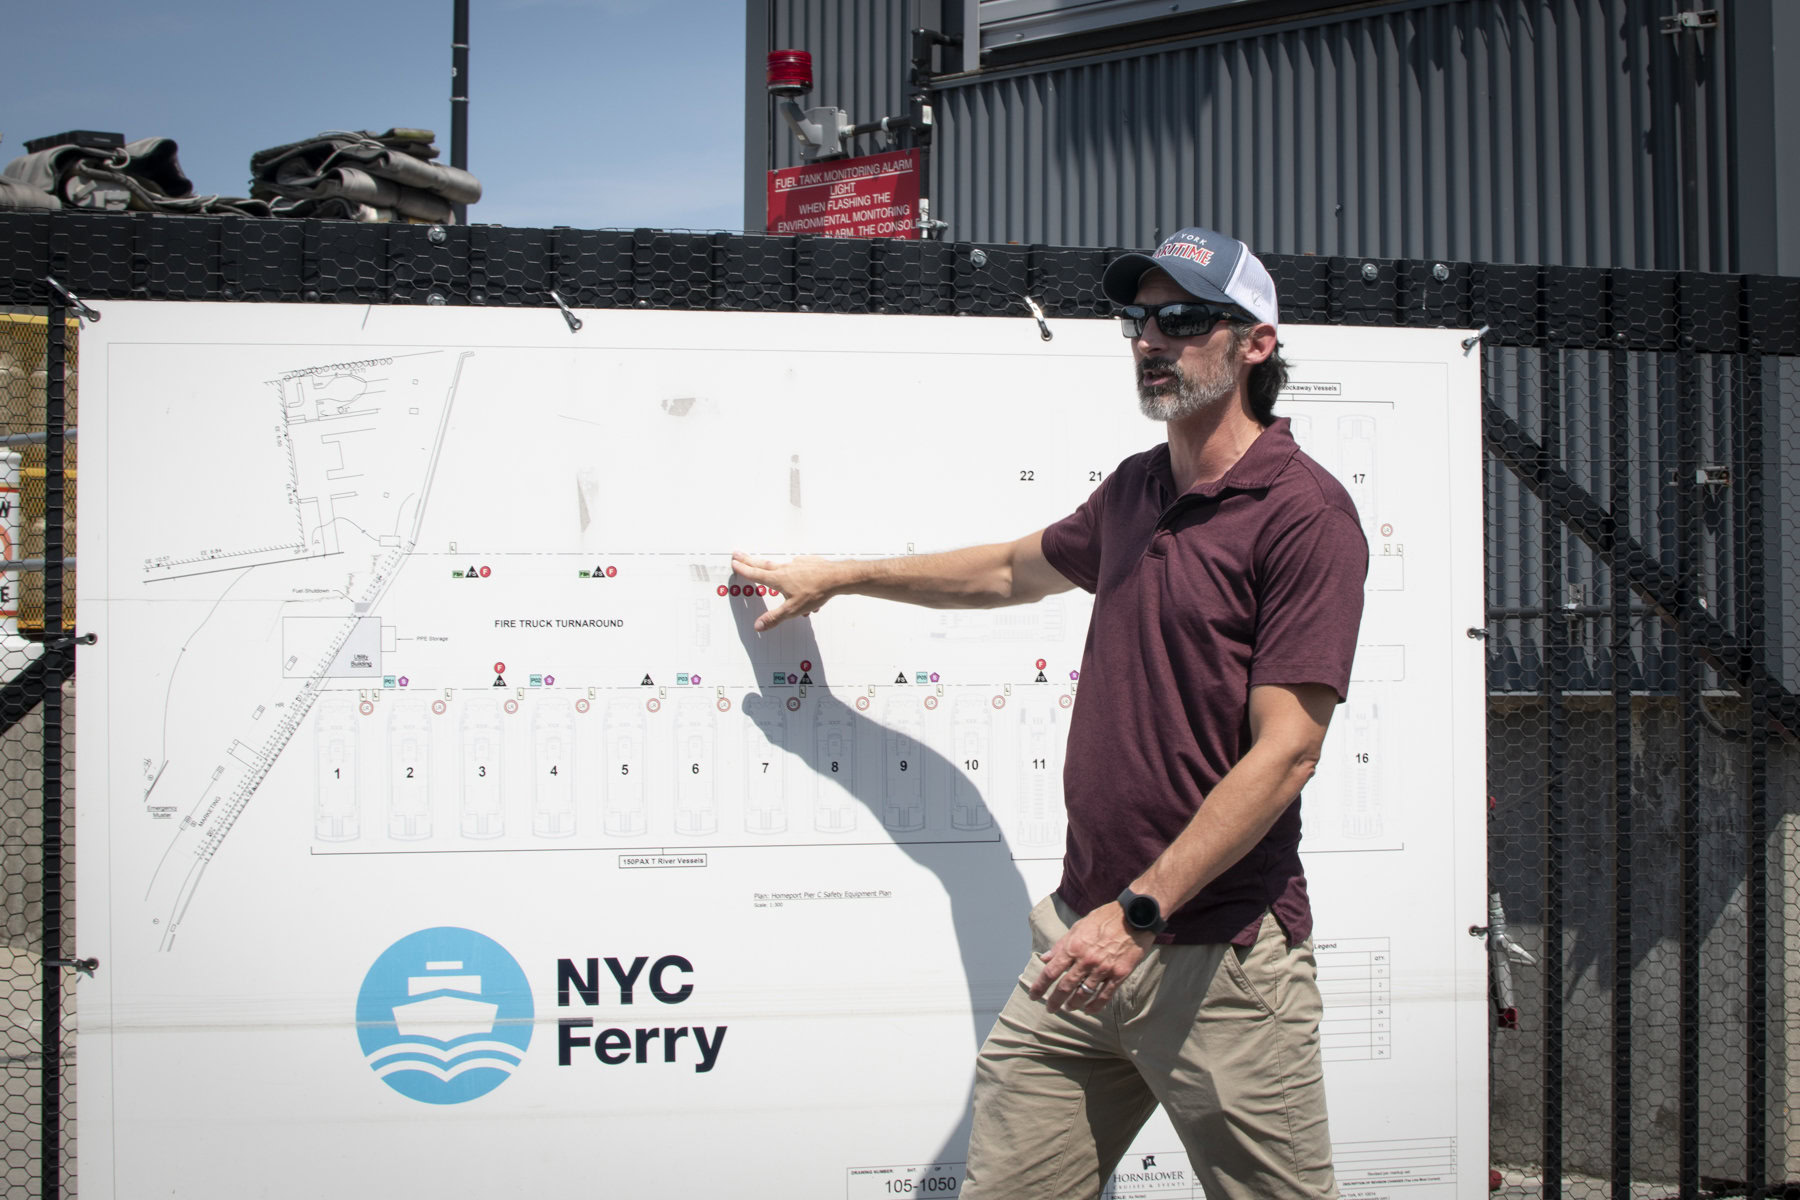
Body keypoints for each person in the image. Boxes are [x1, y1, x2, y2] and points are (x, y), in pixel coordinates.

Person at [731, 226, 1366, 1200]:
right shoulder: (1135, 490)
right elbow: (1003, 571)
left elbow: (1285, 755)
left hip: (1217, 966)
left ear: (1256, 344)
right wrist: (842, 575)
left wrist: (1141, 915)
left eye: (1185, 318)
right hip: (1081, 941)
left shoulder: (1301, 515)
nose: (1152, 340)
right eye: (1137, 318)